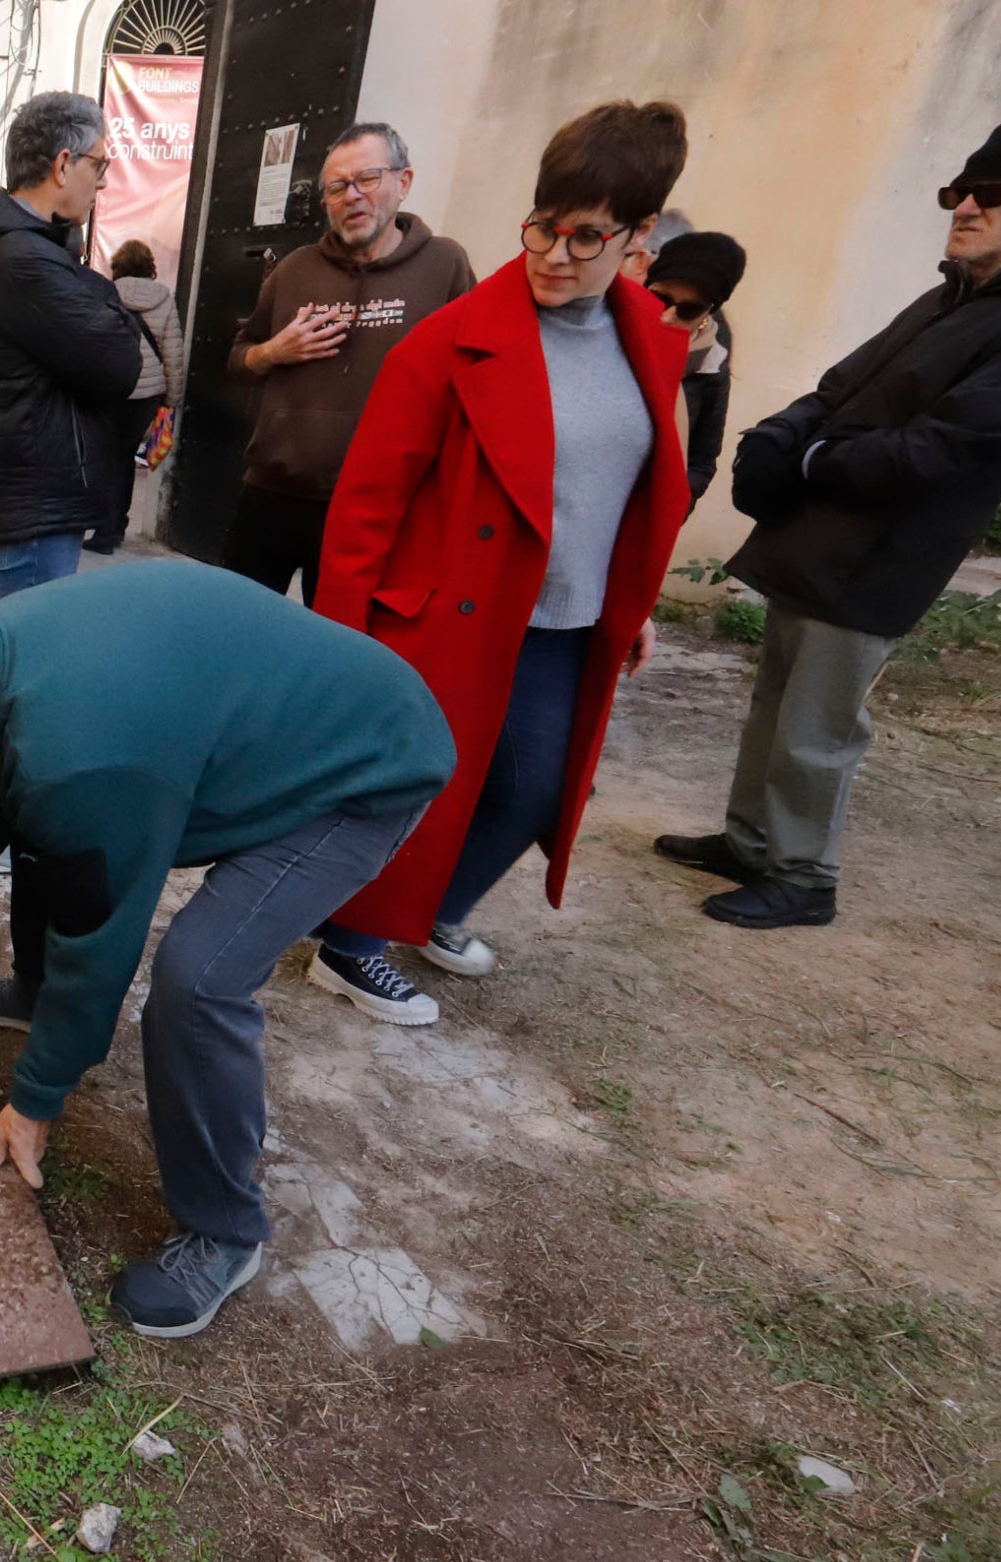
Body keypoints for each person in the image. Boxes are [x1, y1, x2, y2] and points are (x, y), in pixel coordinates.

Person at [0, 564, 454, 1338]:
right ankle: (32, 999)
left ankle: (225, 1233)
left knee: (198, 980)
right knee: (50, 824)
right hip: (271, 720)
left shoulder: (80, 755)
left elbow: (99, 935)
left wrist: (38, 1097)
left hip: (360, 769)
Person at [304, 100, 694, 1025]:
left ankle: (431, 908)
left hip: (569, 613)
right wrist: (340, 644)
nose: (555, 255)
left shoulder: (649, 337)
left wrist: (627, 604)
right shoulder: (450, 339)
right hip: (454, 609)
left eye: (586, 236)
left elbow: (633, 486)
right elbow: (367, 504)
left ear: (639, 236)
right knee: (426, 780)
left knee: (540, 791)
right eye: (542, 228)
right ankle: (352, 945)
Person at [656, 109, 1001, 929]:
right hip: (818, 541)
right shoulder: (949, 297)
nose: (964, 206)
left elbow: (943, 450)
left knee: (819, 728)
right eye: (956, 190)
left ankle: (802, 875)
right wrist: (776, 438)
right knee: (775, 706)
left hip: (881, 558)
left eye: (989, 190)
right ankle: (751, 840)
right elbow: (837, 388)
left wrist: (817, 460)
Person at [221, 122, 476, 604]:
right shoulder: (294, 270)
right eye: (337, 187)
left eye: (368, 178)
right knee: (236, 628)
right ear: (325, 203)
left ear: (403, 183)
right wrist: (274, 352)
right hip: (272, 492)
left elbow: (473, 383)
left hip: (372, 509)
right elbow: (238, 359)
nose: (352, 196)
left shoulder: (445, 267)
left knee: (338, 645)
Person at [0, 91, 143, 602]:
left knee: (29, 649)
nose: (102, 182)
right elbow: (123, 363)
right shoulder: (23, 261)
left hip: (32, 503)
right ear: (64, 164)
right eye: (99, 164)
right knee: (31, 664)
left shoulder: (24, 250)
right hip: (32, 508)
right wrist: (104, 294)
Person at [89, 239, 184, 554]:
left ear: (118, 267)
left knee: (104, 459)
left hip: (111, 390)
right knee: (125, 459)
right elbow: (172, 353)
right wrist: (172, 398)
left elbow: (95, 344)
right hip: (147, 396)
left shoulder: (106, 294)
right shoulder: (165, 299)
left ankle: (103, 530)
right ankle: (116, 527)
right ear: (149, 267)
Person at [646, 230, 747, 504]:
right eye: (660, 299)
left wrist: (669, 511)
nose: (668, 317)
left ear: (707, 314)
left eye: (688, 310)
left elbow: (701, 462)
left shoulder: (710, 370)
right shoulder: (606, 332)